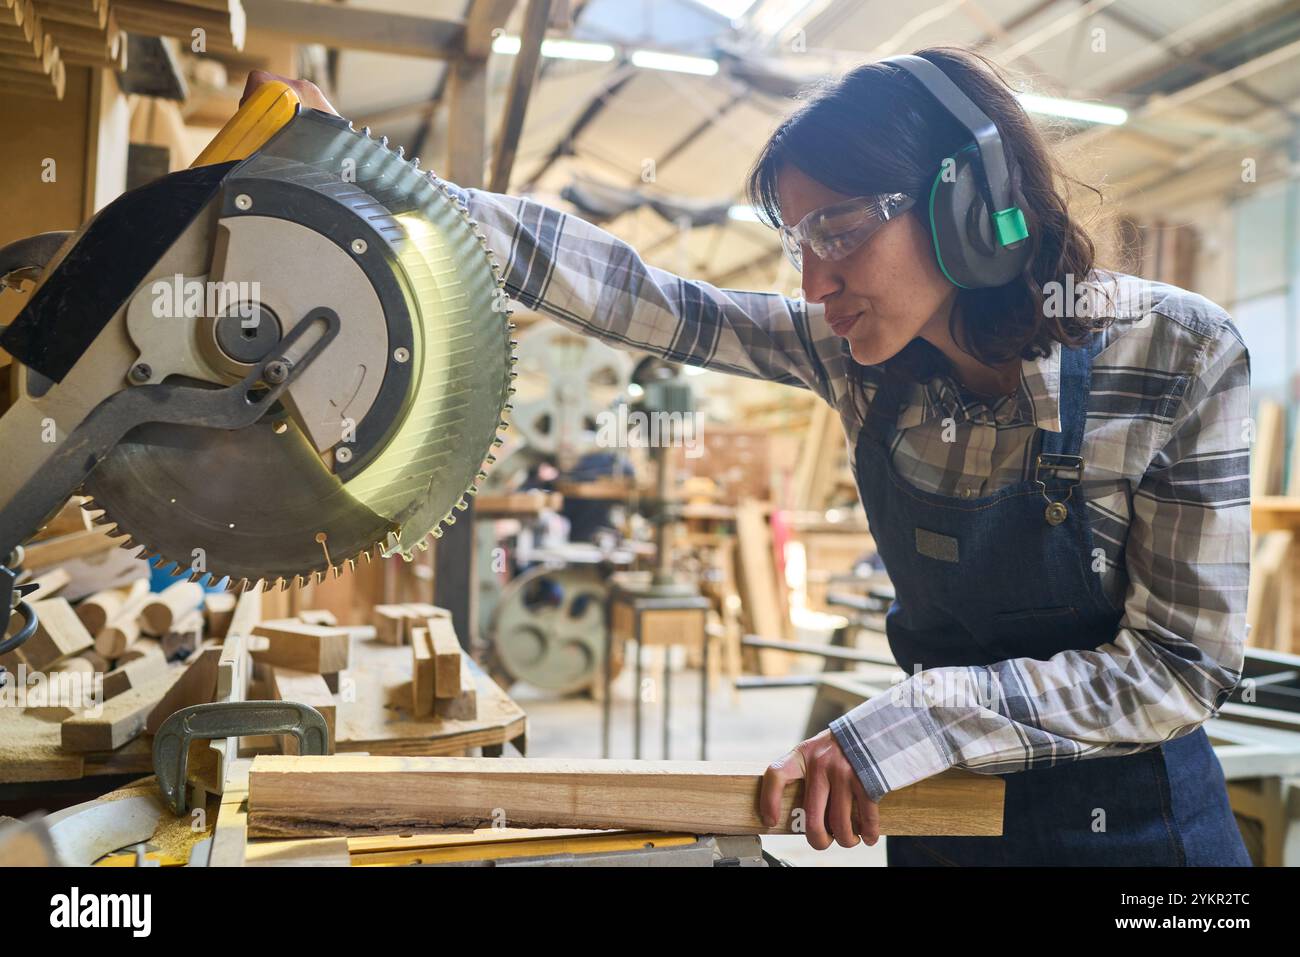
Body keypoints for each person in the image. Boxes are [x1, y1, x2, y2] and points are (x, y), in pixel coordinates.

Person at [242, 45, 1252, 866]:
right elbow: (651, 299)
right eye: (798, 242)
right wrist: (370, 174)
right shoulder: (862, 359)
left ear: (963, 203)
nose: (814, 283)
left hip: (1141, 839)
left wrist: (921, 719)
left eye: (840, 233)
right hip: (944, 822)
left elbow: (1175, 668)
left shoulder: (1179, 355)